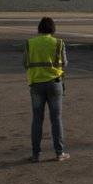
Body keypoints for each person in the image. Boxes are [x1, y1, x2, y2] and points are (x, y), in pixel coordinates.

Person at [24, 17, 69, 162]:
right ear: (52, 29)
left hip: (36, 84)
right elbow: (65, 63)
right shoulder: (59, 43)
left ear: (39, 28)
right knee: (56, 119)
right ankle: (59, 153)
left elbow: (25, 63)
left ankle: (36, 154)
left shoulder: (30, 43)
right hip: (54, 84)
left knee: (37, 119)